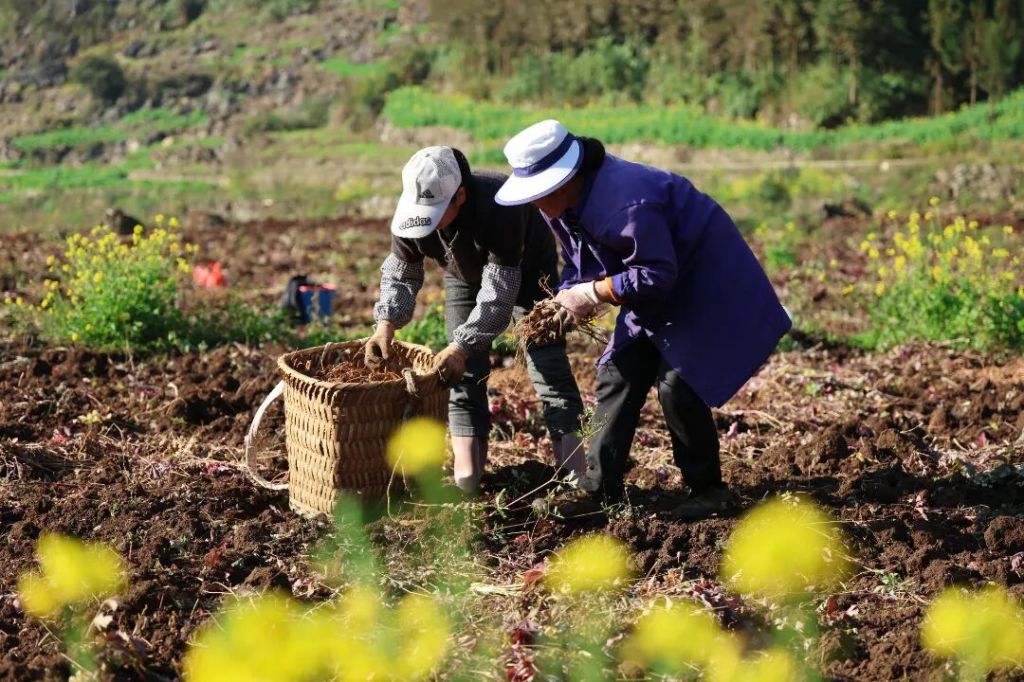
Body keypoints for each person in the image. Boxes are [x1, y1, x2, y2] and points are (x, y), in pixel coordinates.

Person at [494, 120, 792, 520]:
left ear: (564, 180)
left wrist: (595, 293)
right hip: (653, 290)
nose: (535, 202)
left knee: (678, 386)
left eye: (539, 193)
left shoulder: (626, 201)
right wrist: (567, 295)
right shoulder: (563, 205)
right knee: (617, 374)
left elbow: (656, 273)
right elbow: (582, 261)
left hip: (702, 283)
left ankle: (708, 490)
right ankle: (599, 490)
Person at [365, 146, 585, 492]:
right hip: (463, 272)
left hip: (526, 271)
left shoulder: (500, 204)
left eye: (437, 213)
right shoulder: (411, 213)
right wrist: (385, 326)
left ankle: (576, 479)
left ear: (461, 196)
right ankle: (468, 481)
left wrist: (462, 345)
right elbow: (401, 273)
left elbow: (499, 293)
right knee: (462, 375)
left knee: (547, 366)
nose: (429, 222)